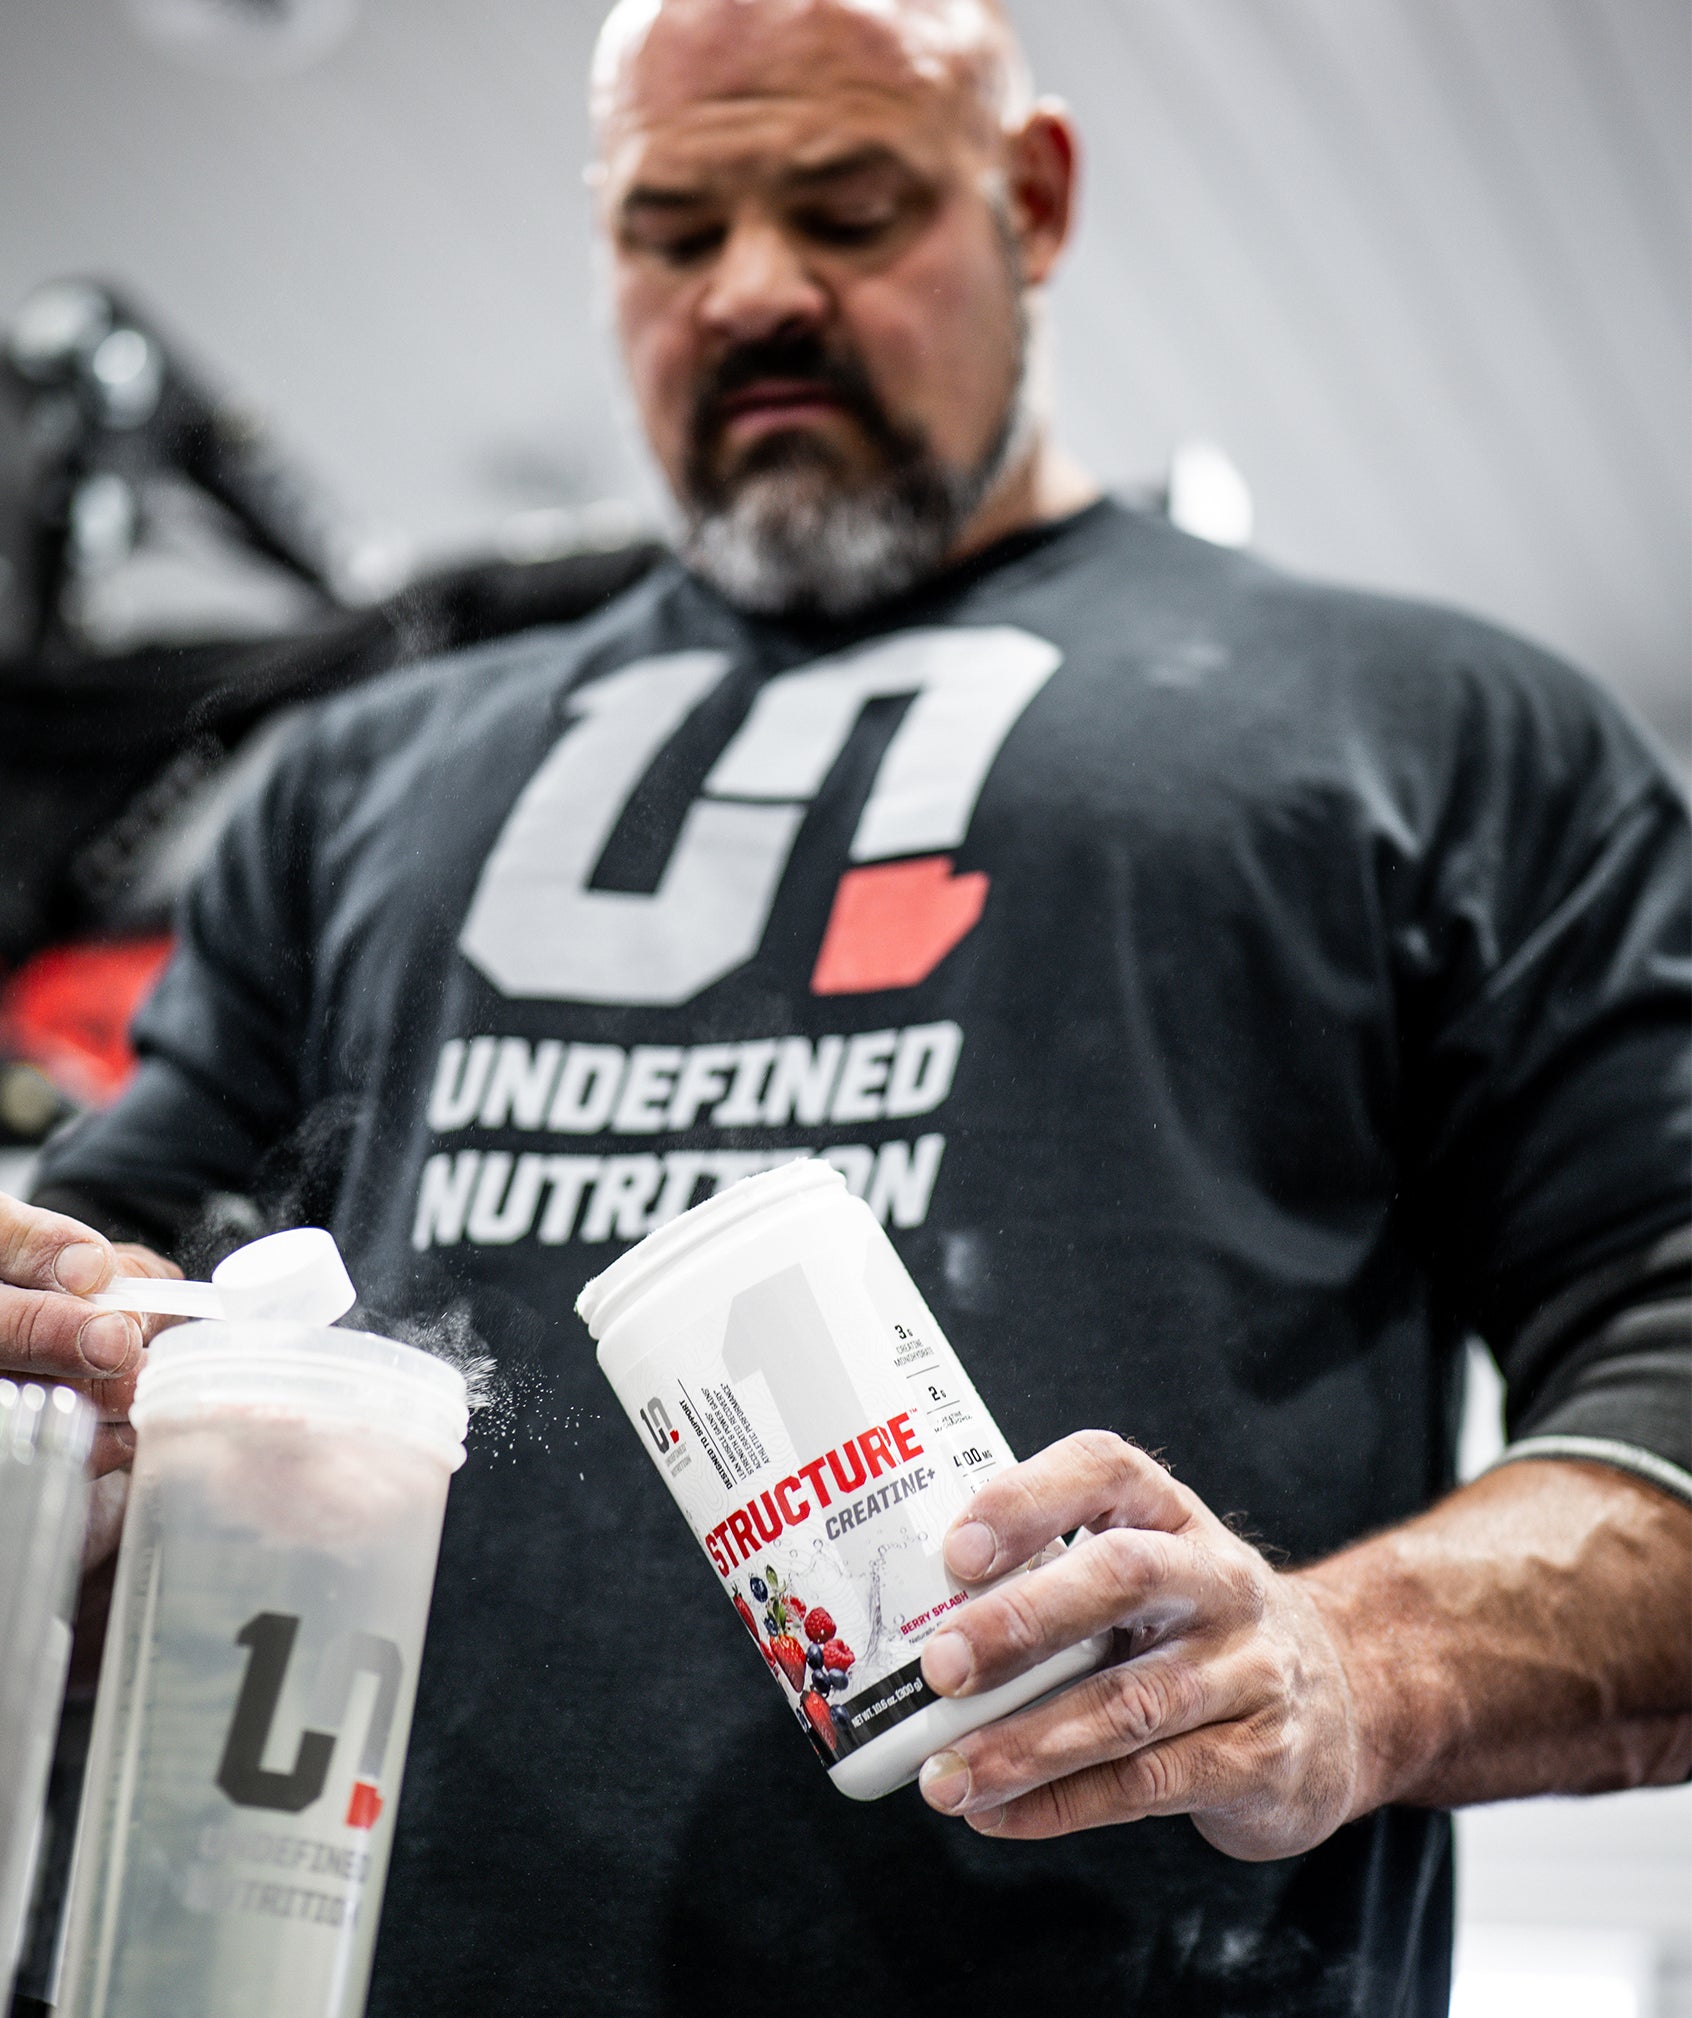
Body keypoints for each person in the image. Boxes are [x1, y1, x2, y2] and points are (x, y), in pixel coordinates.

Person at [7, 0, 1688, 2010]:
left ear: (1034, 195)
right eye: (672, 225)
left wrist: (1344, 1666)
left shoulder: (1437, 736)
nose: (756, 291)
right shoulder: (360, 779)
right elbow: (109, 1303)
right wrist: (55, 1410)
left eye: (849, 202)